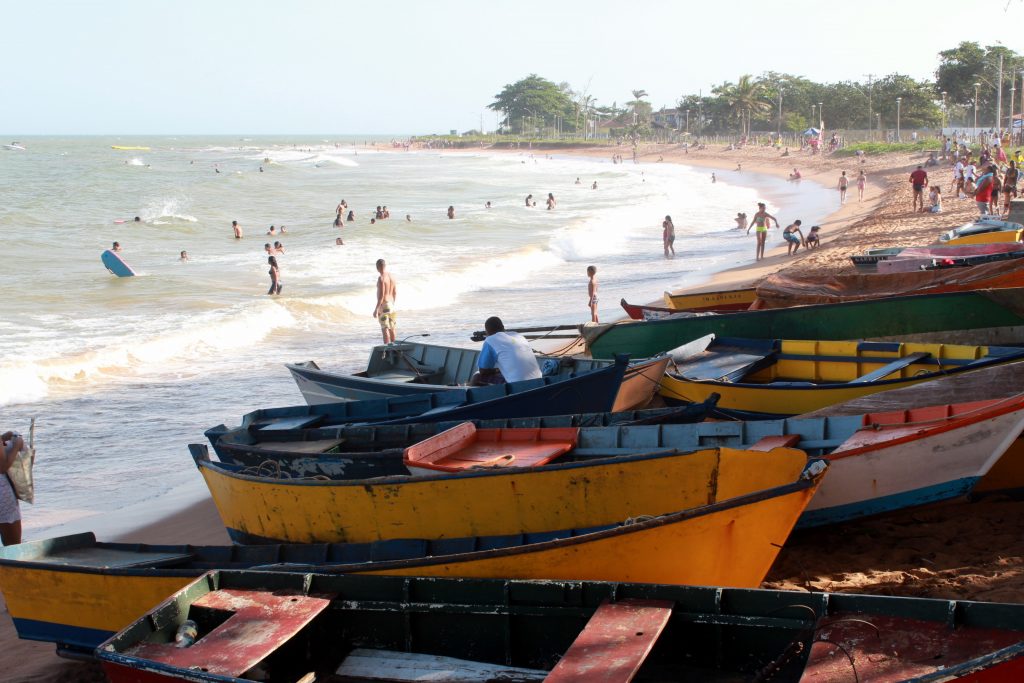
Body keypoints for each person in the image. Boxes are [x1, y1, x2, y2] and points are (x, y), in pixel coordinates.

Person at [470, 316, 542, 386]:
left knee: (476, 377)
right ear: (503, 327)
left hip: (518, 385)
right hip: (539, 381)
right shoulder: (518, 335)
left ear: (487, 332)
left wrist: (497, 370)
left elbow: (483, 371)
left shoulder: (490, 340)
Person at [0, 430, 24, 545]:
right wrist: (16, 446)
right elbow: (2, 467)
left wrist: (2, 438)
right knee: (13, 546)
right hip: (2, 495)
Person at [373, 258, 397, 344]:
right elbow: (395, 292)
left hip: (384, 305)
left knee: (385, 328)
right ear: (385, 266)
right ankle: (395, 348)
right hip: (391, 305)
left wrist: (376, 309)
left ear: (377, 267)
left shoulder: (381, 278)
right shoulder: (392, 277)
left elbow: (381, 296)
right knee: (392, 327)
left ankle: (387, 349)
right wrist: (392, 304)